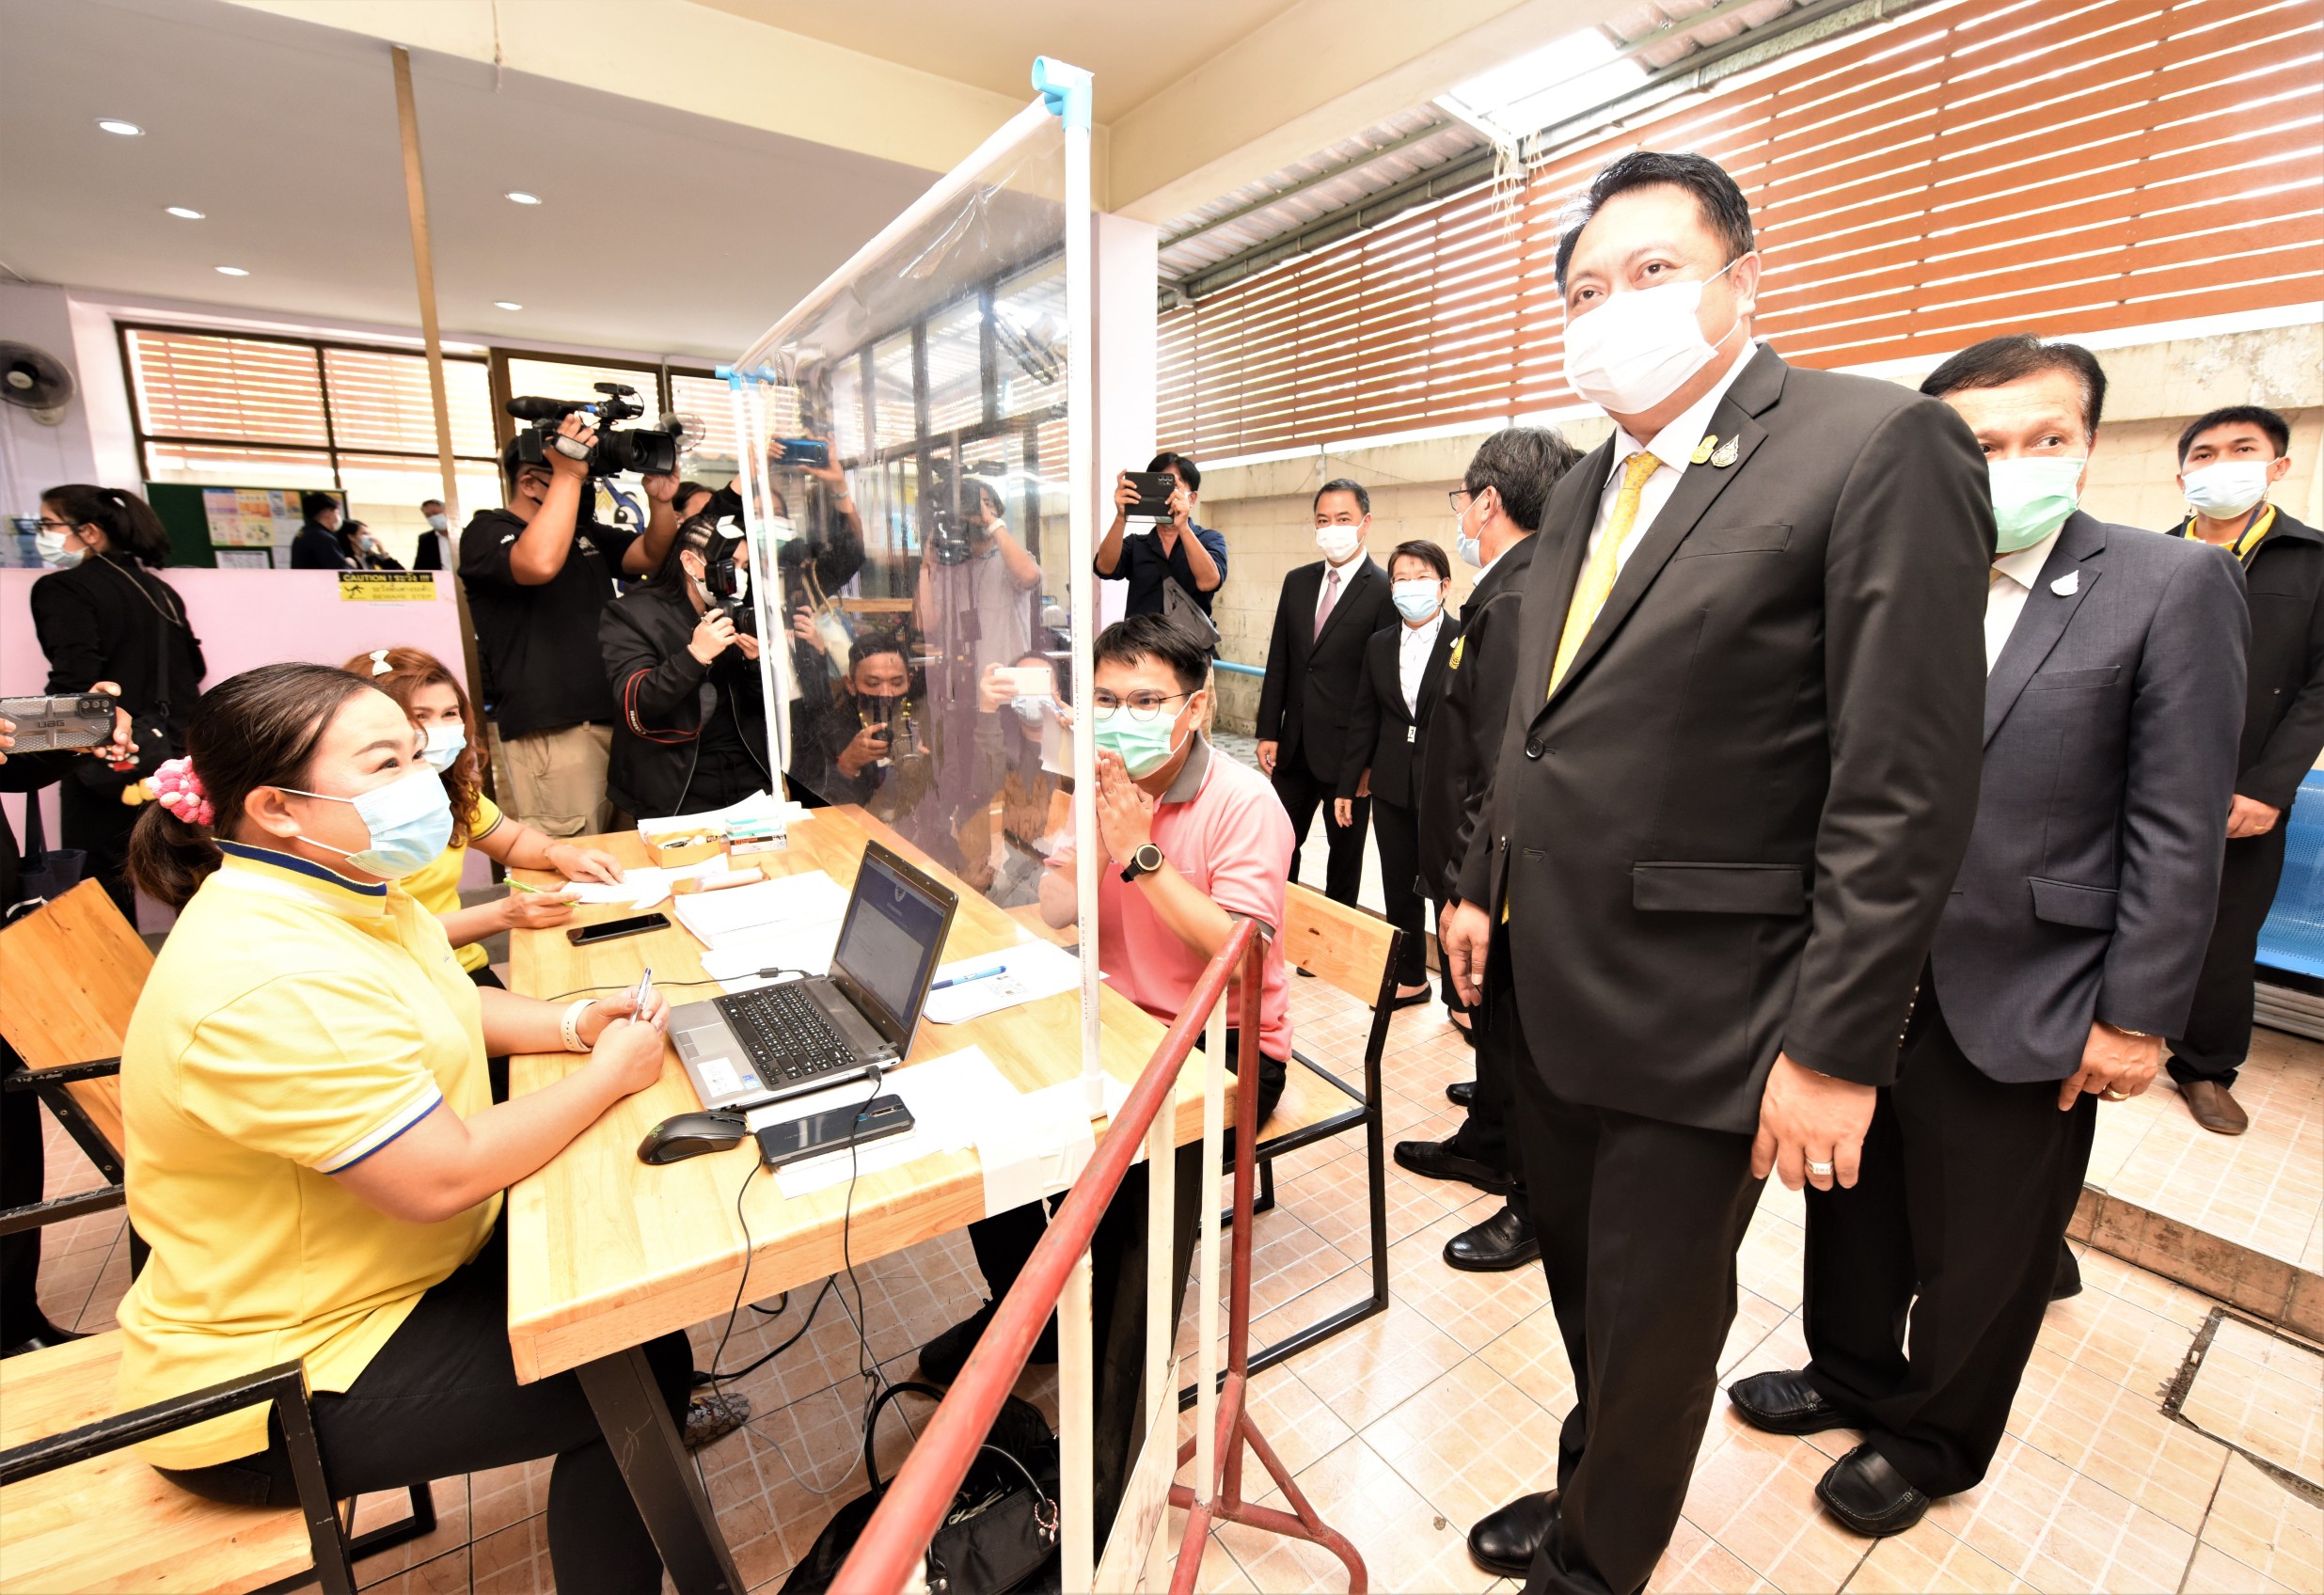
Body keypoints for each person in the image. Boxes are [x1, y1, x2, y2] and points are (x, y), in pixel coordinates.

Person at [1439, 151, 1992, 1593]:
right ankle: (1592, 1481)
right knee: (1587, 1290)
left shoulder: (1872, 445)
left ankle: (1592, 1563)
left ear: (1741, 280)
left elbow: (1902, 784)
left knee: (1654, 1316)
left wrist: (1836, 1050)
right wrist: (1484, 882)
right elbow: (1538, 720)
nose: (1609, 307)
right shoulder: (1583, 486)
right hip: (1551, 980)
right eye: (1582, 289)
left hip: (1711, 1006)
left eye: (1651, 271)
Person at [1728, 336, 2247, 1540]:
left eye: (2044, 437)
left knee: (1984, 1248)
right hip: (1864, 973)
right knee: (1850, 1198)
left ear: (2088, 446)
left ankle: (1931, 1436)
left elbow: (2176, 824)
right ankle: (1847, 1371)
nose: (2013, 463)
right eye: (1979, 444)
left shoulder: (2167, 583)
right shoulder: (1881, 579)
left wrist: (2135, 1015)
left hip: (2032, 984)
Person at [111, 662, 688, 1593]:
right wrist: (606, 1078)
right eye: (387, 763)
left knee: (627, 1283)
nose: (427, 780)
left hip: (386, 1275)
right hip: (275, 1377)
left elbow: (444, 1006)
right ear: (276, 807)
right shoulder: (271, 975)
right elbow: (440, 1177)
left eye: (420, 753)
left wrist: (577, 1023)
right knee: (633, 1371)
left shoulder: (343, 891)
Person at [914, 612, 1294, 1546]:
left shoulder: (1244, 804)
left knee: (1131, 1207)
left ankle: (1103, 1481)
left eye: (1146, 700)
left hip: (1222, 1047)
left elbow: (1240, 962)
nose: (1123, 717)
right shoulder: (1103, 788)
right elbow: (1054, 906)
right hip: (1122, 1026)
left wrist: (1139, 851)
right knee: (990, 1132)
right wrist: (1081, 823)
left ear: (1195, 706)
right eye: (1107, 700)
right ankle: (1034, 1316)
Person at [1402, 427, 1581, 1276]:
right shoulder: (1516, 583)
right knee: (1499, 1030)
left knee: (1513, 1028)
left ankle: (1529, 1195)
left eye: (1463, 503)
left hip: (1494, 869)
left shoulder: (1515, 597)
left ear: (1487, 500)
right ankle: (1489, 1136)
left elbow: (1503, 763)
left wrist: (1466, 883)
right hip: (1484, 861)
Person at [342, 646, 626, 1099]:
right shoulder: (357, 820)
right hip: (404, 988)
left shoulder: (448, 791)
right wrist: (503, 915)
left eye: (450, 713)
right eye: (421, 716)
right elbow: (389, 938)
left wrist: (558, 851)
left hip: (460, 969)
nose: (437, 731)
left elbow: (509, 841)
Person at [2162, 404, 2324, 1135]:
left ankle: (2203, 1066)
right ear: (2181, 476)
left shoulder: (2311, 562)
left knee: (2223, 933)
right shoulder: (2148, 555)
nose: (2219, 465)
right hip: (2139, 778)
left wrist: (2267, 787)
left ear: (2276, 466)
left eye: (2241, 449)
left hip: (2243, 786)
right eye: (2202, 454)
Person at [457, 414, 682, 837]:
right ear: (530, 483)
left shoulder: (584, 532)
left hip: (616, 720)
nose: (585, 489)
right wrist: (568, 474)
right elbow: (538, 563)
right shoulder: (487, 531)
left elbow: (650, 556)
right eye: (579, 479)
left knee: (627, 851)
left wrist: (661, 502)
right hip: (556, 730)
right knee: (574, 855)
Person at [0, 688, 133, 1359]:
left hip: (6, 944)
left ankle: (10, 1319)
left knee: (11, 1140)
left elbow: (9, 759)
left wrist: (75, 732)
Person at [30, 484, 208, 920]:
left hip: (105, 750)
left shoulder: (63, 588)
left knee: (101, 880)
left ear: (90, 532)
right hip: (173, 753)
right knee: (187, 871)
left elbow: (74, 681)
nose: (42, 534)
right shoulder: (160, 591)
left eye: (48, 524)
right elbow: (194, 668)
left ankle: (114, 963)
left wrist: (35, 740)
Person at [1256, 479, 1395, 907]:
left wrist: (1370, 762)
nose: (1331, 528)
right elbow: (1280, 659)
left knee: (1345, 861)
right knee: (1278, 846)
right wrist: (1268, 730)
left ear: (1365, 523)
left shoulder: (1383, 589)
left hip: (1349, 758)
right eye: (1323, 520)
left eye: (1343, 519)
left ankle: (1330, 938)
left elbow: (1383, 685)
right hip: (1293, 748)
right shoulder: (1297, 582)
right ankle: (1277, 927)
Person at [1335, 539, 1459, 1008]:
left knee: (1447, 887)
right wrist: (1348, 783)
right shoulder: (1380, 643)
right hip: (1390, 783)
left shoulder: (1466, 640)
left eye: (1422, 577)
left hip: (1444, 785)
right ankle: (1411, 978)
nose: (1410, 586)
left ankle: (1460, 996)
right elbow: (1364, 715)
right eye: (1401, 578)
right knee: (1398, 882)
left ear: (1443, 586)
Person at [600, 516, 773, 821]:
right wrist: (695, 656)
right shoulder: (633, 614)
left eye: (745, 566)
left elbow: (764, 709)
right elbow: (636, 702)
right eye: (731, 564)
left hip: (747, 775)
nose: (739, 575)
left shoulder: (736, 610)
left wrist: (754, 664)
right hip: (676, 783)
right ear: (691, 563)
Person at [918, 477, 1045, 886]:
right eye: (970, 507)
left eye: (985, 505)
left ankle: (1016, 865)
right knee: (971, 790)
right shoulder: (951, 566)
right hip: (963, 701)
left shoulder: (1008, 558)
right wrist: (927, 564)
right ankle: (974, 868)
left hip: (1008, 700)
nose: (975, 514)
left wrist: (990, 521)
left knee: (1008, 786)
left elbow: (1030, 576)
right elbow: (928, 623)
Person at [1094, 451, 1226, 617]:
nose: (1165, 495)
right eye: (1158, 486)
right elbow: (1104, 568)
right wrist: (1121, 516)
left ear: (1192, 498)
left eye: (1172, 486)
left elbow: (1209, 582)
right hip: (1141, 635)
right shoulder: (1136, 545)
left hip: (1188, 635)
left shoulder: (1210, 539)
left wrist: (1183, 527)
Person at [290, 492, 356, 570]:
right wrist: (349, 564)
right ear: (328, 513)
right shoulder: (323, 538)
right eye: (337, 513)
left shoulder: (304, 532)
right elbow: (339, 570)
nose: (339, 517)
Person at [412, 498, 451, 571]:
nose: (432, 518)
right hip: (441, 577)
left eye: (435, 513)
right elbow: (419, 568)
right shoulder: (425, 540)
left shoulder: (467, 534)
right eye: (428, 515)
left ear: (446, 512)